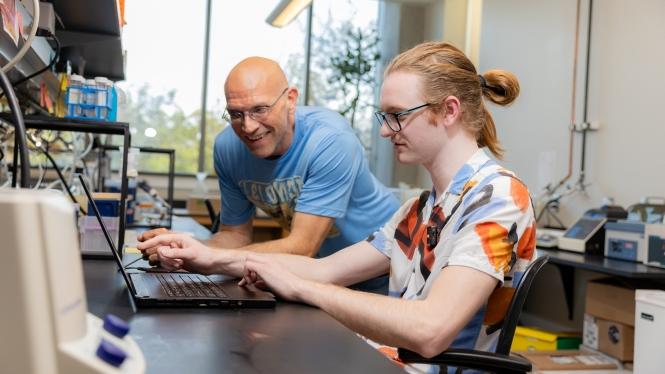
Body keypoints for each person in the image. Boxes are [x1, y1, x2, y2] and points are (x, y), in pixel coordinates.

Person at [138, 42, 536, 373]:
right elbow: (326, 268)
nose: (384, 130)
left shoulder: (497, 198)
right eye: (385, 116)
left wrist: (302, 288)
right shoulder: (422, 207)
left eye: (397, 116)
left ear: (449, 111)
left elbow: (430, 330)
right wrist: (207, 259)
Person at [139, 56, 399, 293]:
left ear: (291, 100)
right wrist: (185, 249)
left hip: (384, 268)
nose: (249, 127)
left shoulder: (330, 140)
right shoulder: (228, 148)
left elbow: (301, 246)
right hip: (319, 269)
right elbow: (235, 235)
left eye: (260, 109)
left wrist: (210, 260)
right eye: (236, 114)